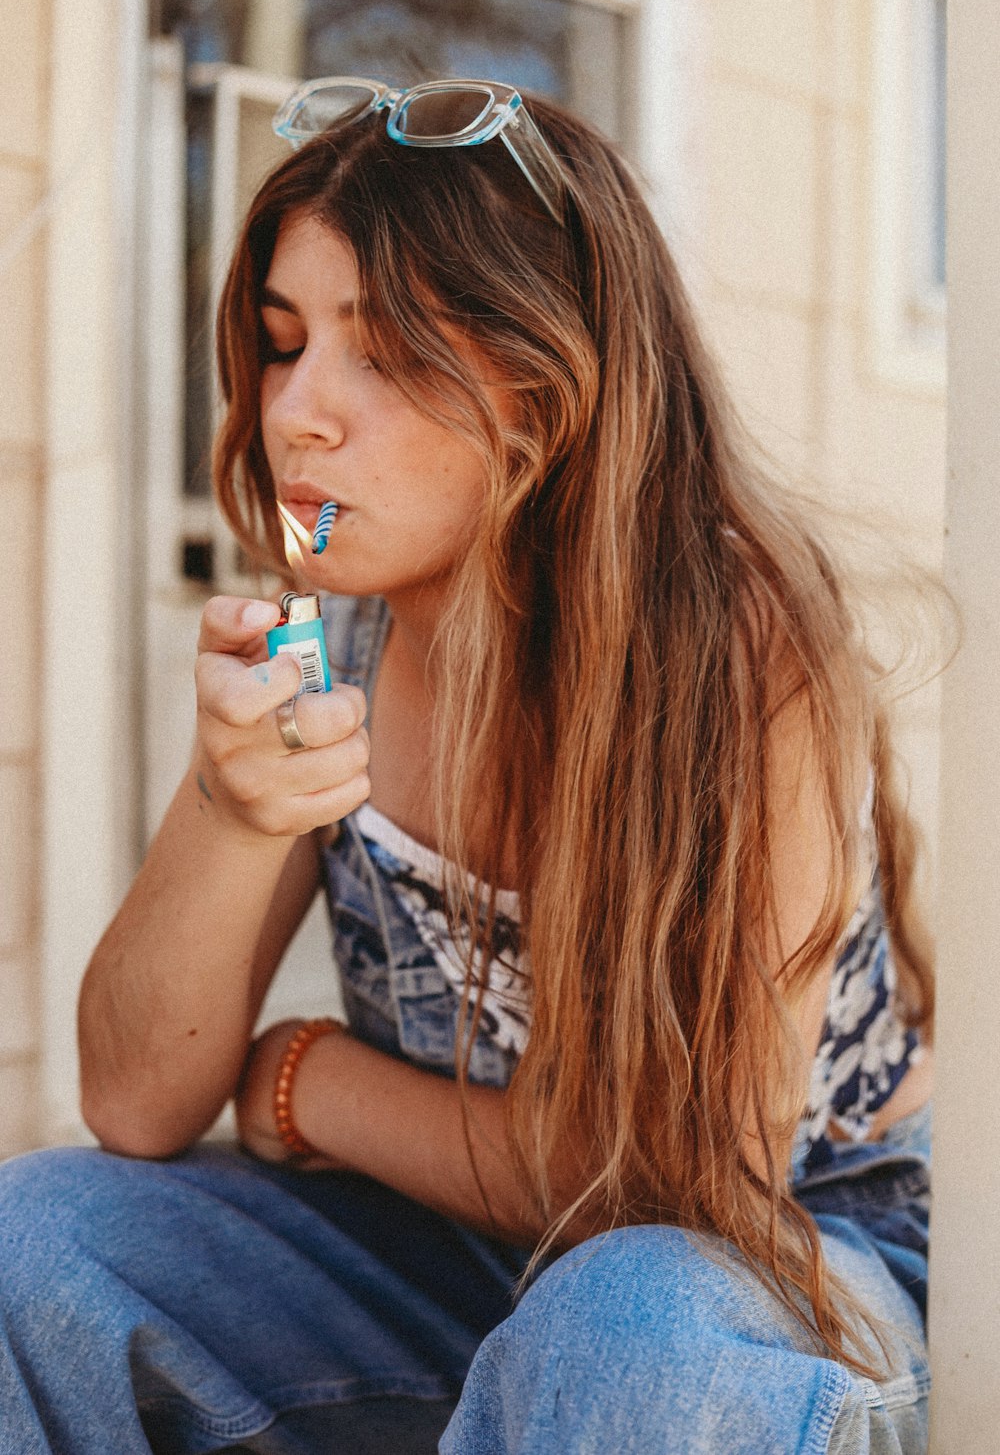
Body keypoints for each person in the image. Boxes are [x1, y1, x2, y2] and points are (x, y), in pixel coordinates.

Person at [0, 79, 934, 1454]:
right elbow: (136, 1100)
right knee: (38, 1242)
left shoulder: (743, 656)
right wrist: (230, 802)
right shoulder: (335, 639)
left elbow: (688, 1181)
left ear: (549, 381)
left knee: (627, 1332)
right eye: (280, 342)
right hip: (444, 1244)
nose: (297, 411)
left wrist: (303, 1076)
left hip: (787, 1263)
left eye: (378, 352)